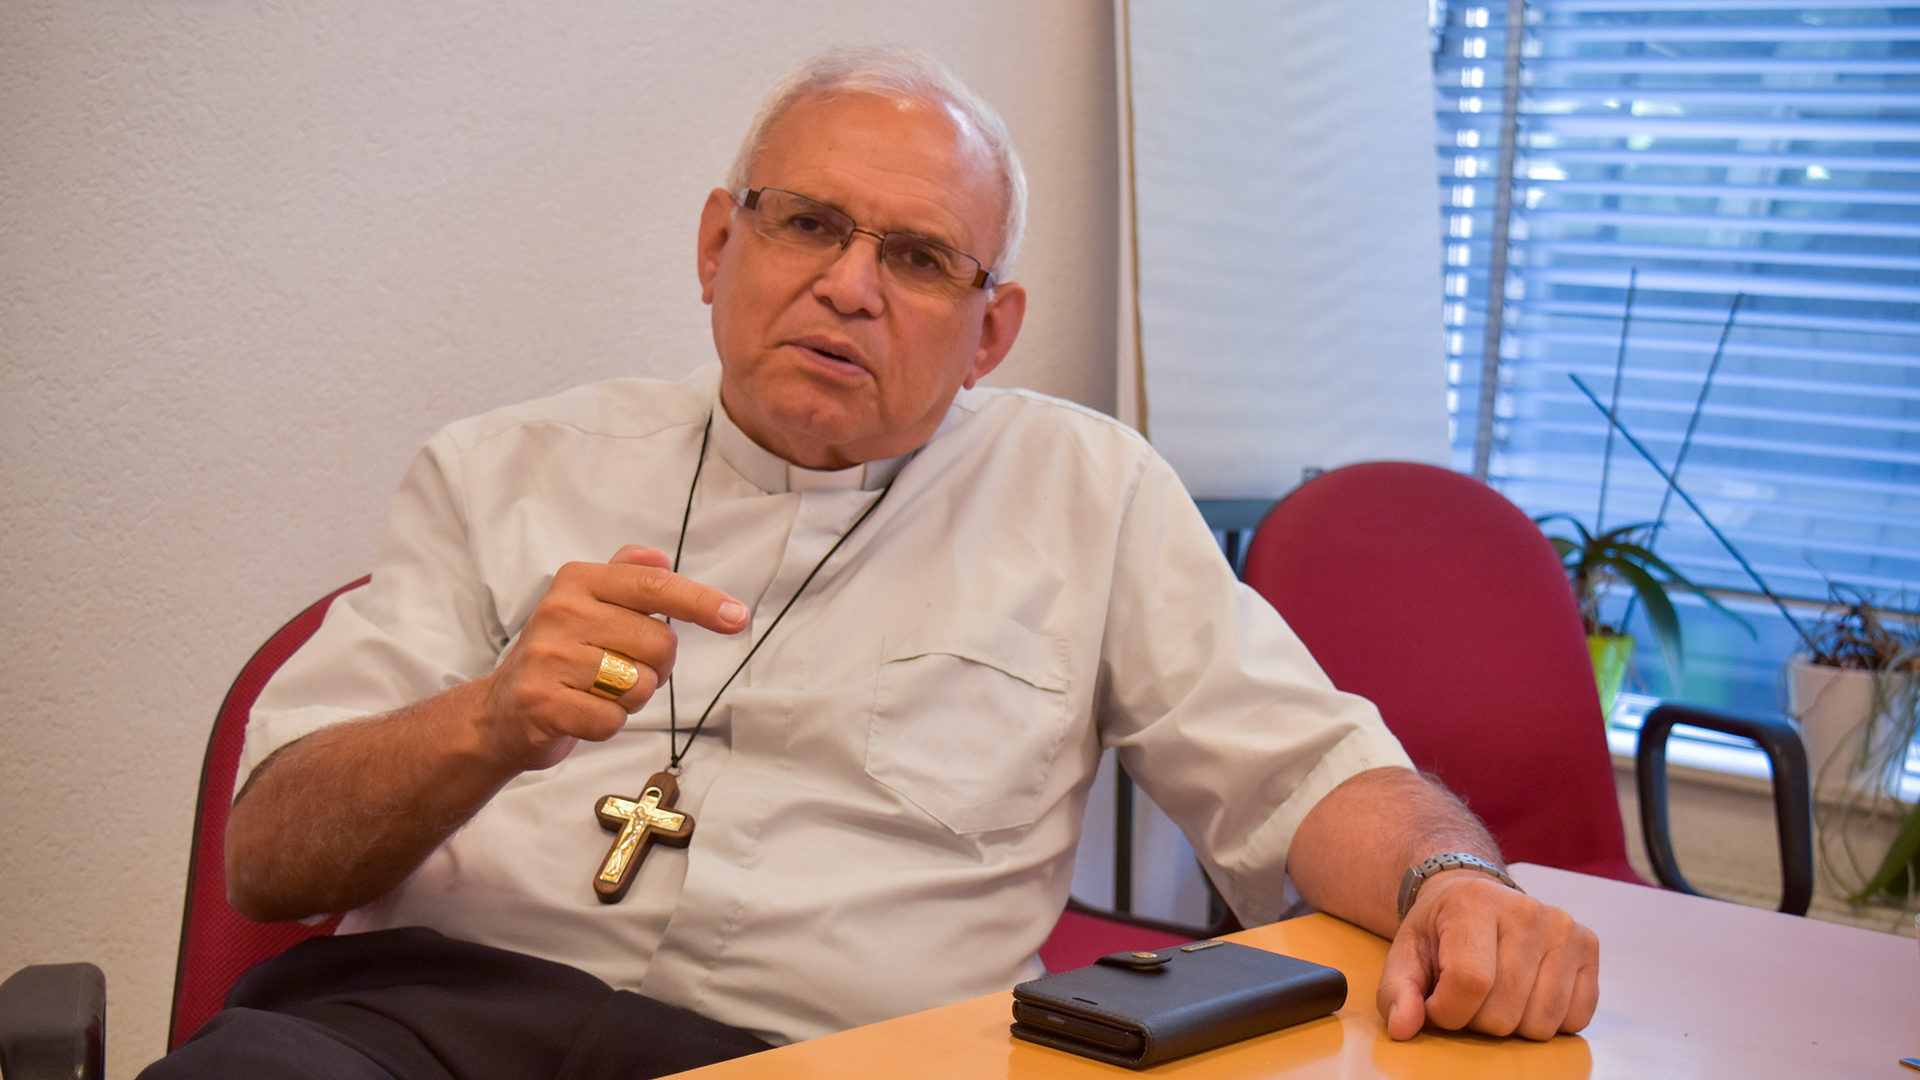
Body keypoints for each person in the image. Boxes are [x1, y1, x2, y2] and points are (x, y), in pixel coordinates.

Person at [145, 45, 1597, 1080]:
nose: (848, 283)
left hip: (848, 1061)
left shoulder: (1083, 495)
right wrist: (486, 721)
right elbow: (270, 859)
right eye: (809, 224)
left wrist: (1455, 882)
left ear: (992, 329)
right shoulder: (502, 467)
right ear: (719, 244)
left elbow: (1307, 775)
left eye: (917, 258)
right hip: (411, 1033)